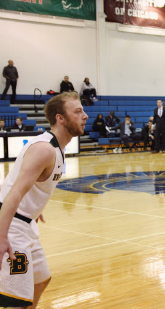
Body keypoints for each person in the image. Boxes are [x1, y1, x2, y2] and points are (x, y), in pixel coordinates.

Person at [0, 92, 88, 308]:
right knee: (16, 300)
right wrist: (2, 237)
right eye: (77, 111)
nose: (84, 116)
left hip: (25, 222)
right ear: (60, 118)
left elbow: (20, 183)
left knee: (41, 280)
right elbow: (14, 193)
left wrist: (33, 207)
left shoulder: (57, 147)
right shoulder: (44, 149)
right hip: (12, 228)